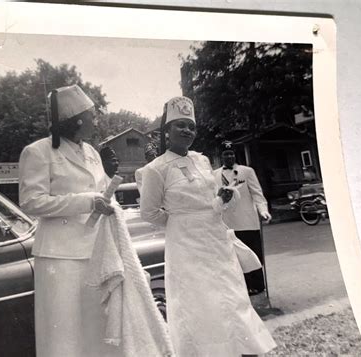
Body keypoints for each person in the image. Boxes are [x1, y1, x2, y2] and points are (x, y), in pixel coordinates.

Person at [140, 96, 276, 357]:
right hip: (186, 244)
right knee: (201, 301)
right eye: (180, 125)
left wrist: (223, 198)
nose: (187, 131)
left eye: (191, 126)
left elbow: (212, 200)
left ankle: (242, 348)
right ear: (166, 131)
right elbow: (149, 212)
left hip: (215, 237)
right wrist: (181, 222)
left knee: (230, 293)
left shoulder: (202, 161)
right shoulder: (155, 169)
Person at [18, 84, 121, 357]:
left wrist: (109, 183)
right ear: (77, 119)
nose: (96, 120)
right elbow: (31, 202)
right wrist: (86, 201)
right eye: (93, 115)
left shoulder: (92, 152)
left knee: (93, 329)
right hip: (58, 256)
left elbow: (101, 193)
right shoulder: (38, 151)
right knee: (63, 333)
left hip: (94, 251)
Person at [213, 142, 272, 296]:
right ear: (221, 157)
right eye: (226, 154)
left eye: (231, 153)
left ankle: (258, 286)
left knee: (253, 253)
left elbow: (257, 193)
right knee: (234, 256)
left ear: (235, 155)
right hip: (227, 223)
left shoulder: (246, 171)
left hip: (247, 220)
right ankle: (242, 286)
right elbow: (213, 198)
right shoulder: (214, 175)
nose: (229, 156)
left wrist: (263, 210)